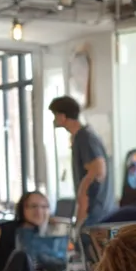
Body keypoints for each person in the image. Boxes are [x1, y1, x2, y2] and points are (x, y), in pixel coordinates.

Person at [49, 95, 112, 226]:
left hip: (93, 214)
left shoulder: (84, 137)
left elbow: (98, 171)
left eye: (55, 115)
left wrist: (82, 207)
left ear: (62, 116)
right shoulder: (81, 137)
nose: (54, 120)